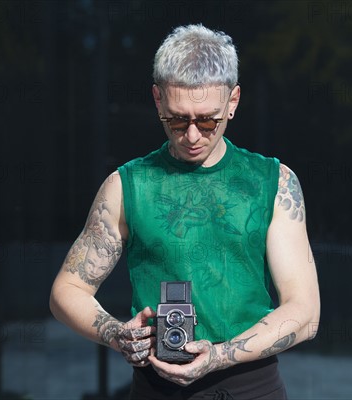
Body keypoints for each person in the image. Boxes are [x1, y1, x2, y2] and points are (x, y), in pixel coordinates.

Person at [49, 24, 320, 399]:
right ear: (158, 100)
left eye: (208, 120)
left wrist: (219, 356)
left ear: (233, 101)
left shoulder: (272, 182)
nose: (192, 135)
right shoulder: (128, 185)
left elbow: (305, 312)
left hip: (251, 388)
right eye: (177, 120)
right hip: (156, 388)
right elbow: (67, 289)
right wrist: (117, 333)